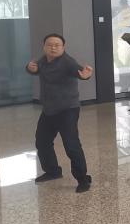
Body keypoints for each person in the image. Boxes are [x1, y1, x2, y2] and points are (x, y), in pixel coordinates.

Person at [26, 33, 94, 193]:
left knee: (71, 145)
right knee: (42, 141)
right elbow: (36, 69)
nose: (53, 48)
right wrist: (30, 68)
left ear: (63, 47)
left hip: (67, 109)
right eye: (49, 45)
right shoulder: (43, 60)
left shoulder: (67, 62)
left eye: (57, 45)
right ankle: (53, 171)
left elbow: (79, 72)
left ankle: (83, 179)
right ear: (44, 47)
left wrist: (86, 75)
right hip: (49, 109)